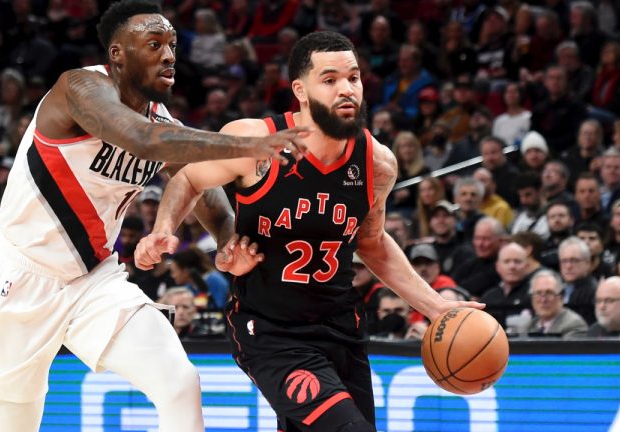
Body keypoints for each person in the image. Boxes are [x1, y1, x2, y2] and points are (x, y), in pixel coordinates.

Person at [0, 2, 310, 431]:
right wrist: (246, 145)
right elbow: (140, 139)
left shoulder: (162, 121)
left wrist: (227, 241)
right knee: (15, 422)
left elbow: (204, 191)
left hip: (94, 280)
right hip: (18, 276)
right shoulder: (77, 88)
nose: (168, 55)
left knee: (179, 382)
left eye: (171, 45)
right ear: (117, 55)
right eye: (153, 45)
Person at [134, 31, 481, 432]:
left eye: (353, 77)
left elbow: (372, 243)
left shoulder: (377, 162)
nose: (346, 89)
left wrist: (437, 306)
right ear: (300, 90)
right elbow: (190, 178)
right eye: (330, 80)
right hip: (271, 332)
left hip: (341, 330)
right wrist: (164, 228)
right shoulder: (256, 141)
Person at [526, 269, 588, 338]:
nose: (543, 300)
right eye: (538, 293)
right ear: (532, 298)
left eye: (549, 293)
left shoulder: (574, 325)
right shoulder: (528, 326)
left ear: (561, 298)